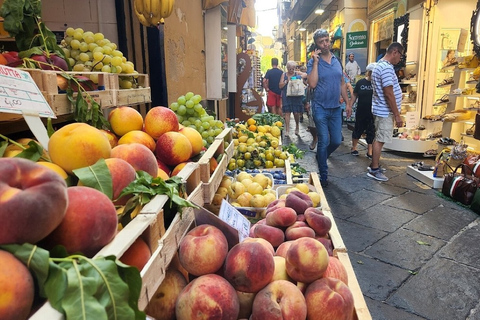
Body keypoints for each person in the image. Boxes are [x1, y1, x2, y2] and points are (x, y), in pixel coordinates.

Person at [307, 29, 352, 187]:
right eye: (321, 41)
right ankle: (324, 175)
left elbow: (342, 83)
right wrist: (316, 63)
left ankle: (322, 156)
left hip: (335, 108)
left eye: (327, 40)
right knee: (324, 140)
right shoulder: (313, 61)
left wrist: (347, 103)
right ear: (317, 44)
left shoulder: (337, 60)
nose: (325, 43)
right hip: (319, 106)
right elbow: (312, 84)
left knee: (336, 140)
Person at [368, 42, 404, 181]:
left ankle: (374, 165)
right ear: (395, 52)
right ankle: (374, 169)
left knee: (379, 137)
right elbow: (389, 93)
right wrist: (397, 115)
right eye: (400, 56)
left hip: (379, 109)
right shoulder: (387, 69)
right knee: (380, 140)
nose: (399, 59)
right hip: (384, 111)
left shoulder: (378, 65)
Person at [351, 63, 376, 158]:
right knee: (358, 128)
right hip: (361, 110)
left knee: (371, 131)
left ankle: (370, 151)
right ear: (368, 73)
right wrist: (350, 105)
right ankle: (354, 147)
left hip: (372, 111)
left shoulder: (376, 84)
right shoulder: (360, 83)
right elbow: (355, 94)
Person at [279, 60, 307, 135]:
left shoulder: (296, 73)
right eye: (290, 69)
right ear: (287, 68)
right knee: (287, 113)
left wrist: (298, 76)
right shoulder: (284, 75)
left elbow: (305, 75)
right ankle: (287, 130)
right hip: (287, 95)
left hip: (296, 96)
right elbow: (280, 86)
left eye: (293, 68)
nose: (291, 70)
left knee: (296, 113)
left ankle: (297, 126)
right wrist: (286, 81)